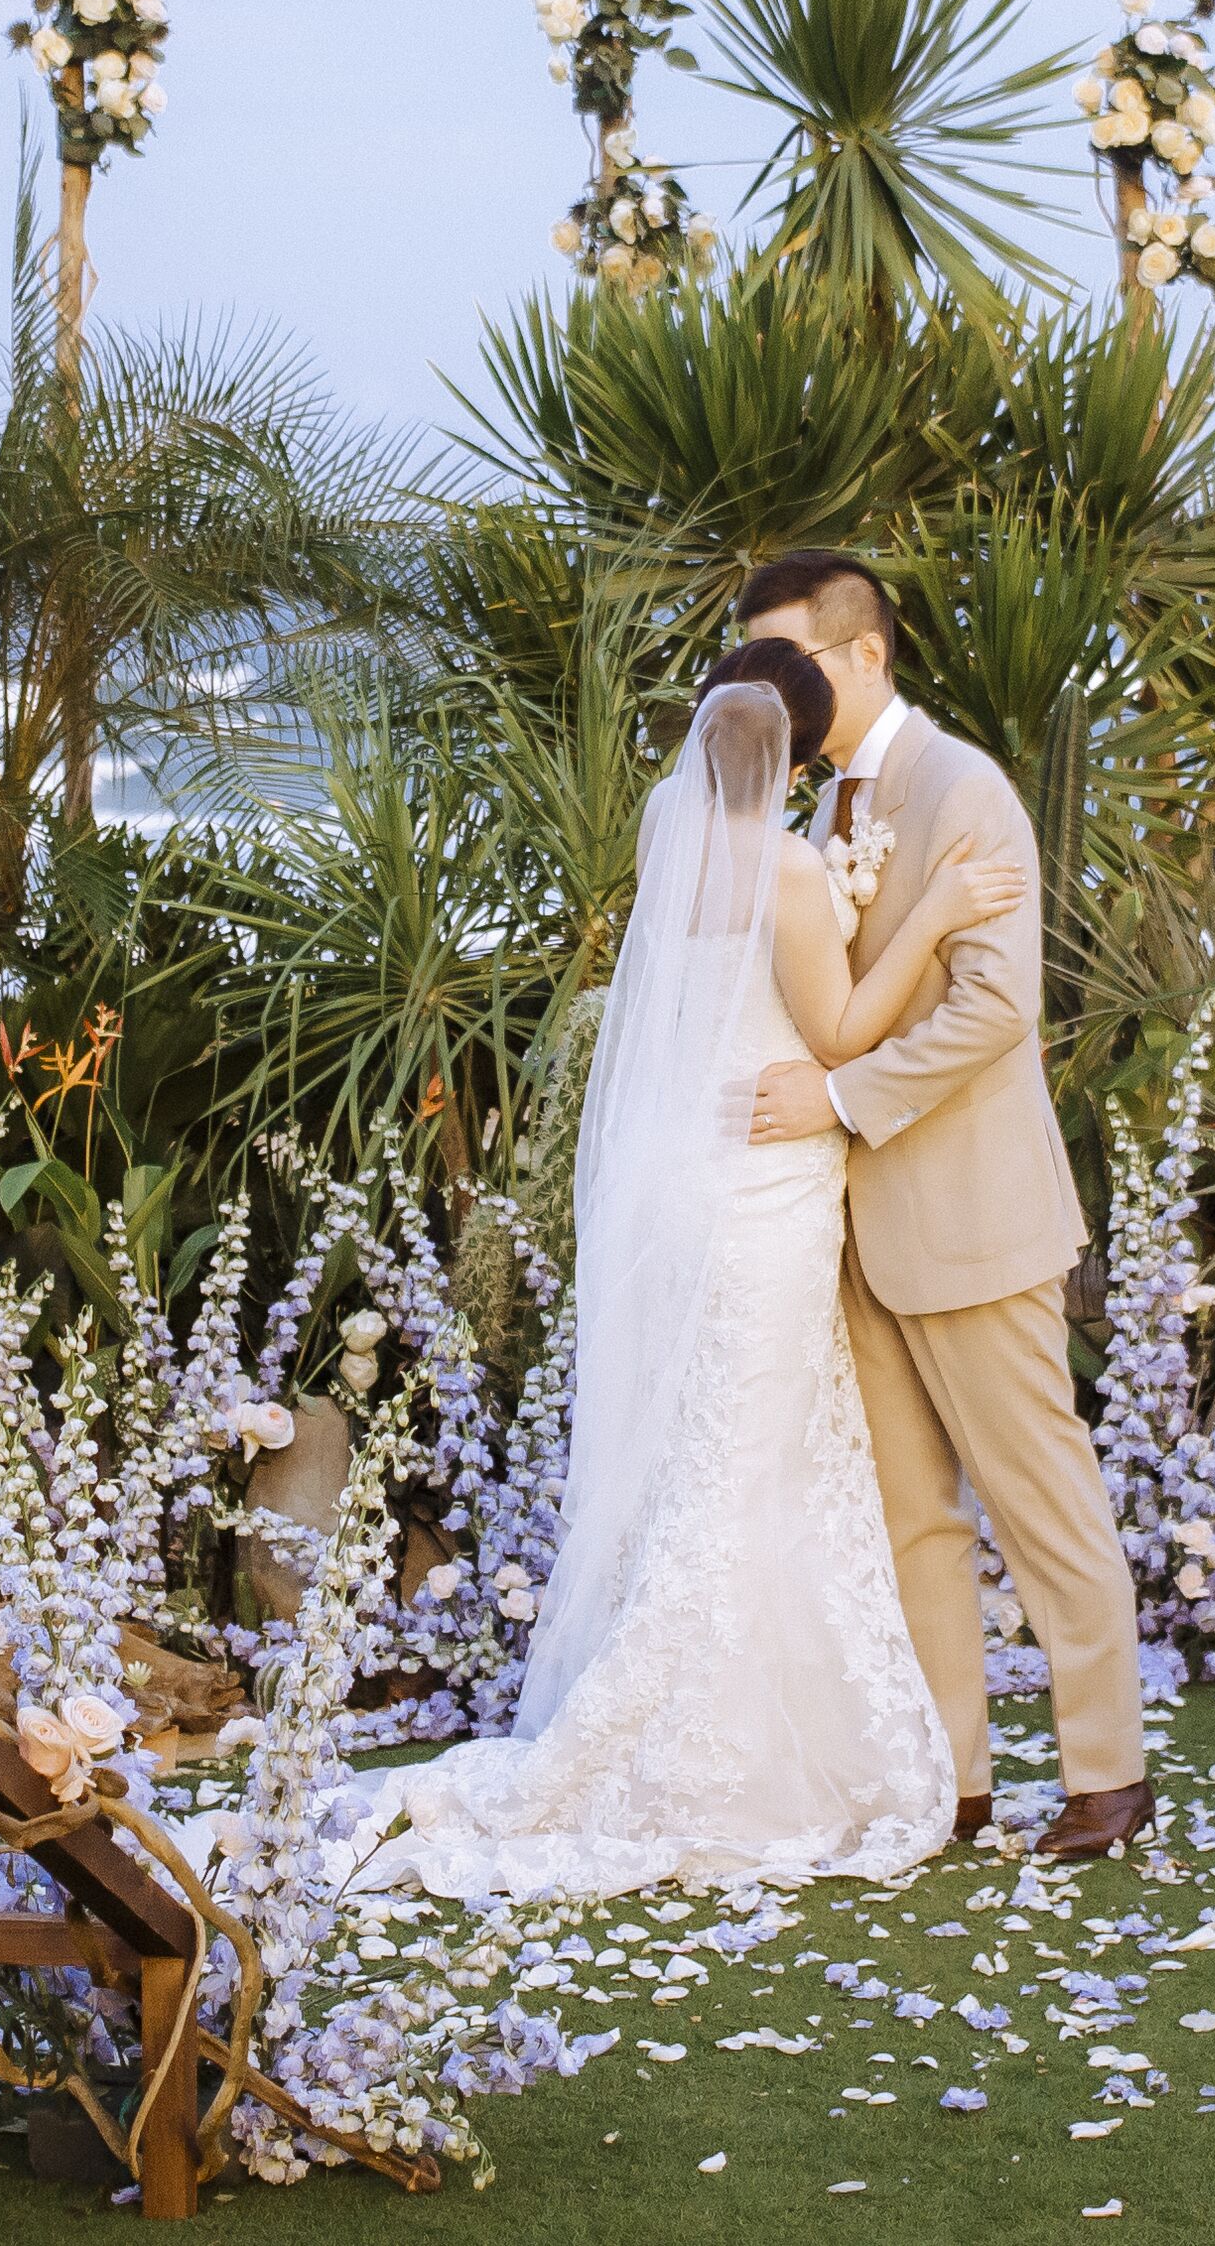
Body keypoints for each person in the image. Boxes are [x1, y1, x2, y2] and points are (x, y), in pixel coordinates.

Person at [347, 637, 1031, 1898]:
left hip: (690, 1174)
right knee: (754, 1453)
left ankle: (712, 1713)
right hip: (768, 1184)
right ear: (796, 752)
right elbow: (837, 1032)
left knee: (715, 1452)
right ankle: (723, 1745)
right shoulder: (786, 867)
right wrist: (931, 912)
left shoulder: (675, 835)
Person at [735, 550, 1154, 1862]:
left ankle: (1109, 1775)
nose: (775, 690)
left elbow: (994, 1008)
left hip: (972, 1215)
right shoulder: (817, 810)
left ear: (864, 654)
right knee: (912, 1520)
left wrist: (839, 1097)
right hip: (853, 1229)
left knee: (1043, 1501)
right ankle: (952, 1782)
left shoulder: (964, 790)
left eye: (793, 660)